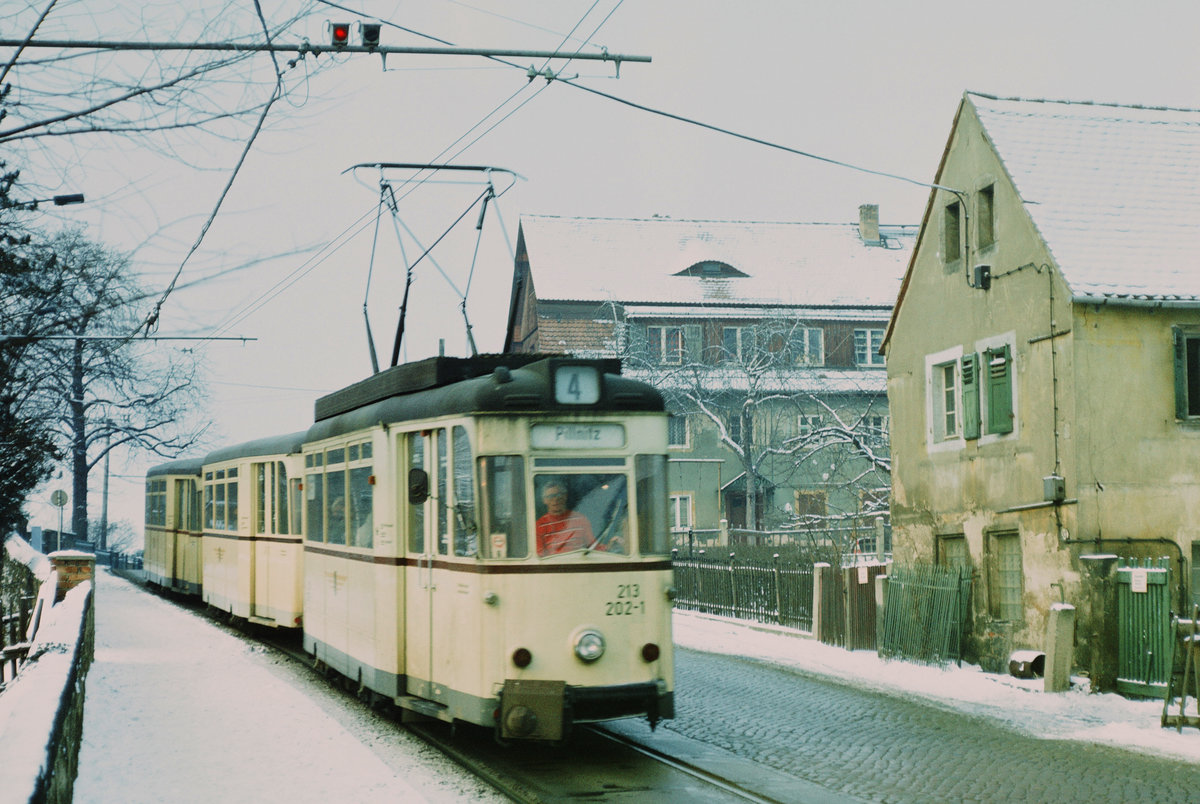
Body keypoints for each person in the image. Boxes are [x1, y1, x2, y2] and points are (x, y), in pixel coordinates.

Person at [536, 481, 594, 555]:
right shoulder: (539, 525)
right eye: (551, 496)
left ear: (565, 496)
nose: (555, 499)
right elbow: (539, 556)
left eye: (559, 495)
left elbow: (593, 546)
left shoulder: (580, 519)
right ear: (544, 500)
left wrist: (608, 546)